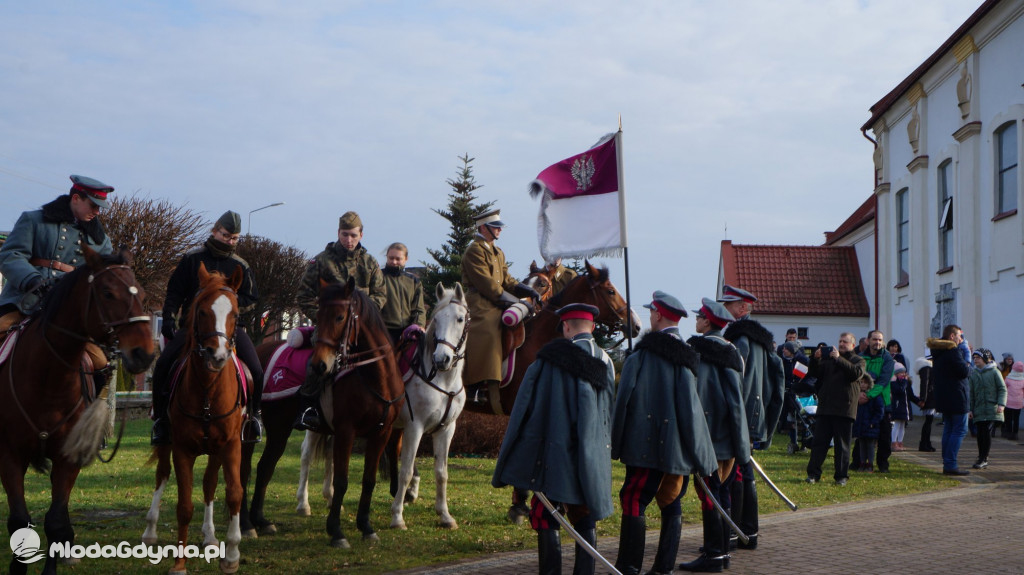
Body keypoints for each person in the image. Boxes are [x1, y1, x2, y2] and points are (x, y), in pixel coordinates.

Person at [492, 303, 615, 575]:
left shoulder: (547, 360)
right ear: (592, 327)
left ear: (565, 327)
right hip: (592, 454)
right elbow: (608, 415)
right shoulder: (606, 360)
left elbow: (524, 409)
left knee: (546, 515)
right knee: (584, 517)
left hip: (552, 455)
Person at [610, 292, 716, 575]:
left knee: (633, 499)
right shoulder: (690, 355)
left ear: (657, 315)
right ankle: (663, 568)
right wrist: (699, 454)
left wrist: (615, 445)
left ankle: (629, 567)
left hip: (644, 446)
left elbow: (623, 403)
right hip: (678, 448)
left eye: (651, 313)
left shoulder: (642, 355)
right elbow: (693, 409)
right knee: (671, 501)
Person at [151, 211, 264, 445]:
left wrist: (228, 305)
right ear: (215, 231)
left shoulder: (240, 265)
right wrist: (170, 320)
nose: (229, 241)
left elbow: (251, 298)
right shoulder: (192, 259)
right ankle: (161, 420)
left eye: (234, 238)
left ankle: (254, 418)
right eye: (225, 235)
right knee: (163, 364)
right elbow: (174, 293)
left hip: (231, 329)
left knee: (256, 369)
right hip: (195, 328)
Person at [0, 175, 115, 392]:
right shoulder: (34, 220)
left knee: (100, 365)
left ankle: (89, 417)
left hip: (69, 314)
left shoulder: (101, 242)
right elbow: (10, 255)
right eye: (93, 205)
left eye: (100, 207)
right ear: (76, 198)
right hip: (24, 304)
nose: (98, 212)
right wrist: (33, 279)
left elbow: (103, 279)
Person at [294, 211, 387, 430]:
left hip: (362, 328)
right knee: (318, 362)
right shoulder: (321, 261)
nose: (349, 239)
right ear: (338, 233)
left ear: (361, 235)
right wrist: (326, 317)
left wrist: (360, 315)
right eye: (345, 234)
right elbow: (303, 295)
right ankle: (308, 407)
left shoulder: (370, 262)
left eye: (353, 235)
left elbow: (381, 295)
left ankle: (390, 407)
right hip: (331, 327)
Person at [678, 298, 748, 573]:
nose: (696, 321)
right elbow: (736, 404)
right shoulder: (731, 352)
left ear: (706, 322)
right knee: (721, 493)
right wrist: (741, 444)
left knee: (709, 494)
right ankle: (722, 552)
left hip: (707, 437)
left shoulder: (698, 352)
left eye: (699, 317)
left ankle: (714, 555)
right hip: (728, 439)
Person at [720, 285, 784, 551]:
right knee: (745, 472)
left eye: (730, 305)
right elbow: (777, 383)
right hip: (754, 416)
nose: (725, 309)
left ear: (743, 308)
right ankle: (749, 532)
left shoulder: (742, 339)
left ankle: (736, 534)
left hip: (742, 416)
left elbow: (737, 384)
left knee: (737, 473)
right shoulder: (760, 340)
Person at [460, 209, 540, 408]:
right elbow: (487, 285)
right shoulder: (474, 250)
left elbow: (507, 280)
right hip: (479, 302)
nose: (499, 230)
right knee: (488, 327)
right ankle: (476, 384)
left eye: (499, 227)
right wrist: (515, 302)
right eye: (495, 227)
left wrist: (527, 291)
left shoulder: (497, 251)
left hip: (496, 299)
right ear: (483, 228)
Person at [804, 332, 866, 486]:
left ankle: (841, 476)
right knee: (819, 444)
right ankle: (813, 474)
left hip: (844, 409)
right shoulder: (828, 360)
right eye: (840, 341)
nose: (841, 344)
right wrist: (815, 359)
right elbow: (814, 373)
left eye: (845, 342)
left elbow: (855, 374)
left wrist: (838, 359)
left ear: (852, 345)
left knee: (842, 446)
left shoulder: (858, 360)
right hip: (826, 408)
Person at [928, 325, 972, 475]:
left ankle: (947, 461)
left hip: (944, 397)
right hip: (957, 396)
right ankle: (950, 463)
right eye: (959, 336)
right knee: (960, 430)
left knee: (949, 429)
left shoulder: (938, 351)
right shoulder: (953, 351)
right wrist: (967, 355)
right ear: (952, 337)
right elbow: (965, 371)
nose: (961, 339)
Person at [859, 330, 895, 472]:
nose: (877, 342)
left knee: (884, 437)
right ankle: (860, 462)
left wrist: (867, 395)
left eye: (880, 340)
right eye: (875, 339)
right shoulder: (861, 357)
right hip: (862, 403)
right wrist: (860, 395)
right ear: (868, 341)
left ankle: (883, 464)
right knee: (861, 434)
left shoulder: (887, 359)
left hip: (882, 402)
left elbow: (883, 381)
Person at [380, 242, 426, 344]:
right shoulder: (378, 277)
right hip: (383, 332)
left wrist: (419, 325)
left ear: (406, 259)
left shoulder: (414, 281)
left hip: (408, 332)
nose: (394, 262)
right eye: (391, 258)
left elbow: (419, 309)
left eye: (398, 259)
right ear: (386, 257)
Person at [968, 348, 1006, 469]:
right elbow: (971, 393)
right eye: (974, 358)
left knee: (986, 433)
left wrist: (1001, 404)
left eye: (978, 358)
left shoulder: (994, 372)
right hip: (979, 409)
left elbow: (1002, 389)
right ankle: (981, 456)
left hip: (992, 408)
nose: (975, 360)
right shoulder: (974, 374)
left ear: (985, 359)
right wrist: (970, 409)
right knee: (980, 434)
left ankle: (983, 458)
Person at [779, 340, 810, 453]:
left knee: (805, 418)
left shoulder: (803, 361)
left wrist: (799, 386)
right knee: (791, 419)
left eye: (786, 349)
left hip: (803, 394)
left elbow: (807, 377)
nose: (783, 350)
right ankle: (793, 441)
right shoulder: (782, 361)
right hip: (789, 394)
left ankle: (805, 442)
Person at [852, 373, 884, 472]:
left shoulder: (875, 396)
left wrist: (873, 422)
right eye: (861, 382)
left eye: (865, 383)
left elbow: (879, 411)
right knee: (861, 444)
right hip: (860, 424)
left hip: (870, 425)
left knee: (870, 445)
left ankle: (870, 463)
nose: (863, 385)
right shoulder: (857, 396)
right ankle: (862, 463)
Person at [889, 363, 919, 452]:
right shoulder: (894, 382)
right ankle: (893, 442)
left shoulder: (906, 383)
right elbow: (900, 390)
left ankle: (900, 442)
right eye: (900, 372)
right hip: (898, 406)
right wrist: (905, 381)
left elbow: (910, 395)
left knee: (902, 425)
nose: (903, 374)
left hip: (905, 407)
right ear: (896, 374)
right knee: (897, 424)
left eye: (904, 372)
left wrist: (918, 401)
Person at [914, 352, 938, 452]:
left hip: (930, 397)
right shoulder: (927, 368)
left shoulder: (927, 368)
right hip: (929, 398)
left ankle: (926, 443)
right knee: (928, 422)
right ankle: (924, 443)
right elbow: (925, 384)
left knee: (929, 421)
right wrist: (923, 398)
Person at [1004, 361, 1024, 442]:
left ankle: (1009, 433)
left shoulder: (1008, 378)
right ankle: (1015, 434)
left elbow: (1004, 389)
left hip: (1008, 402)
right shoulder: (1023, 380)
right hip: (1019, 402)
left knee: (1008, 418)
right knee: (1016, 419)